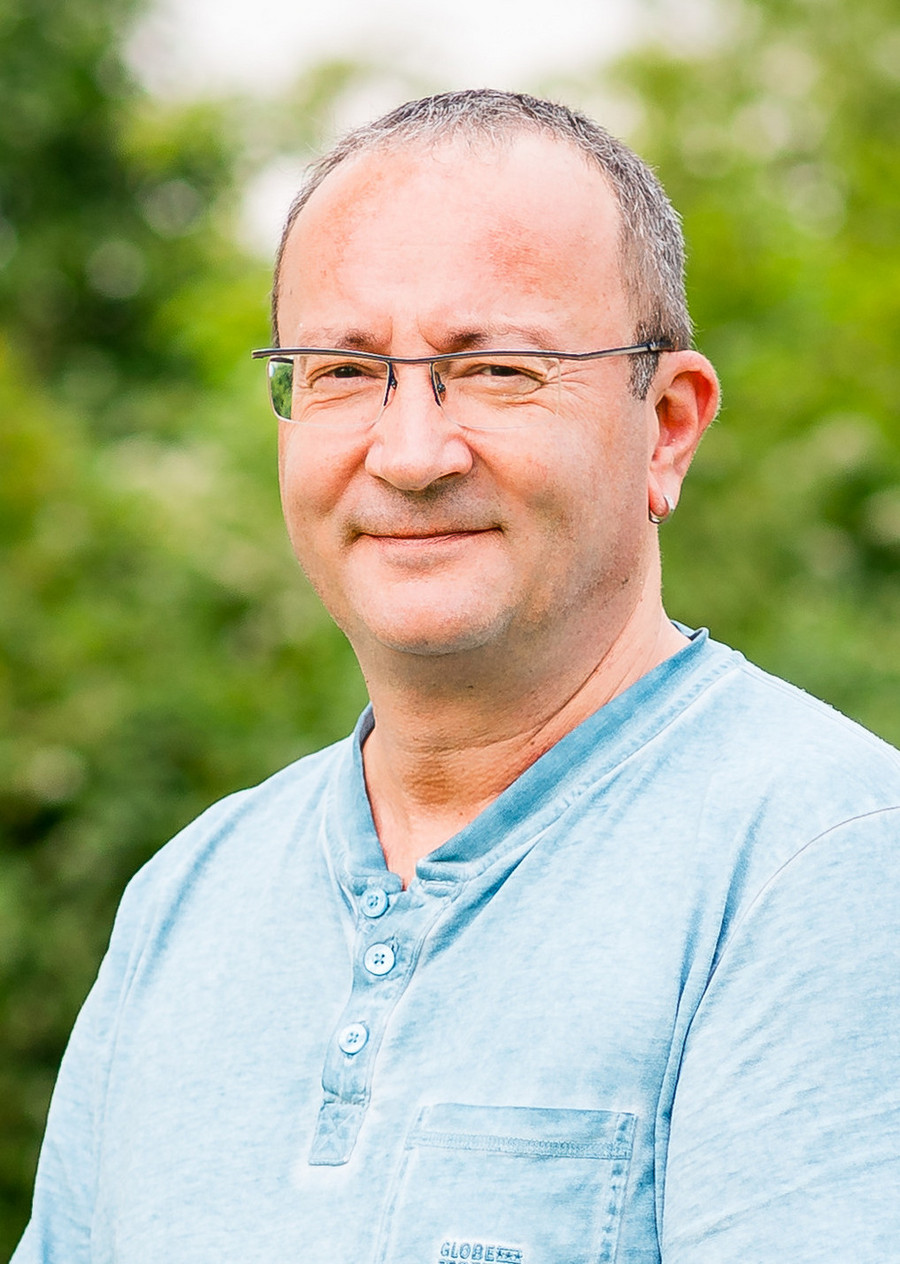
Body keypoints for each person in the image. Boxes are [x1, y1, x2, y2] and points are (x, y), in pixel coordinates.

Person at [13, 88, 900, 1264]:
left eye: (496, 370)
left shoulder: (825, 864)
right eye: (344, 370)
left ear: (668, 425)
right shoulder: (187, 898)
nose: (411, 453)